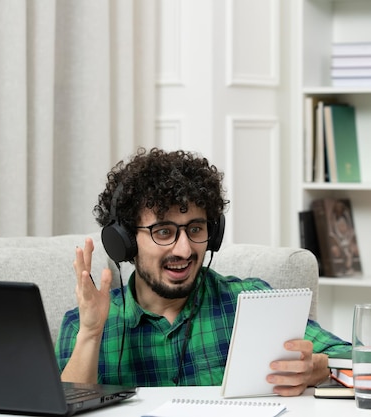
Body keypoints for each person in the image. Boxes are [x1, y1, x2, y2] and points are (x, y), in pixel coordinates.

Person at [55, 147, 350, 396]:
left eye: (196, 229)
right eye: (164, 231)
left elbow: (360, 361)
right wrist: (91, 335)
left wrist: (321, 367)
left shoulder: (249, 303)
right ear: (126, 243)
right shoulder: (83, 324)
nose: (184, 250)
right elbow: (64, 406)